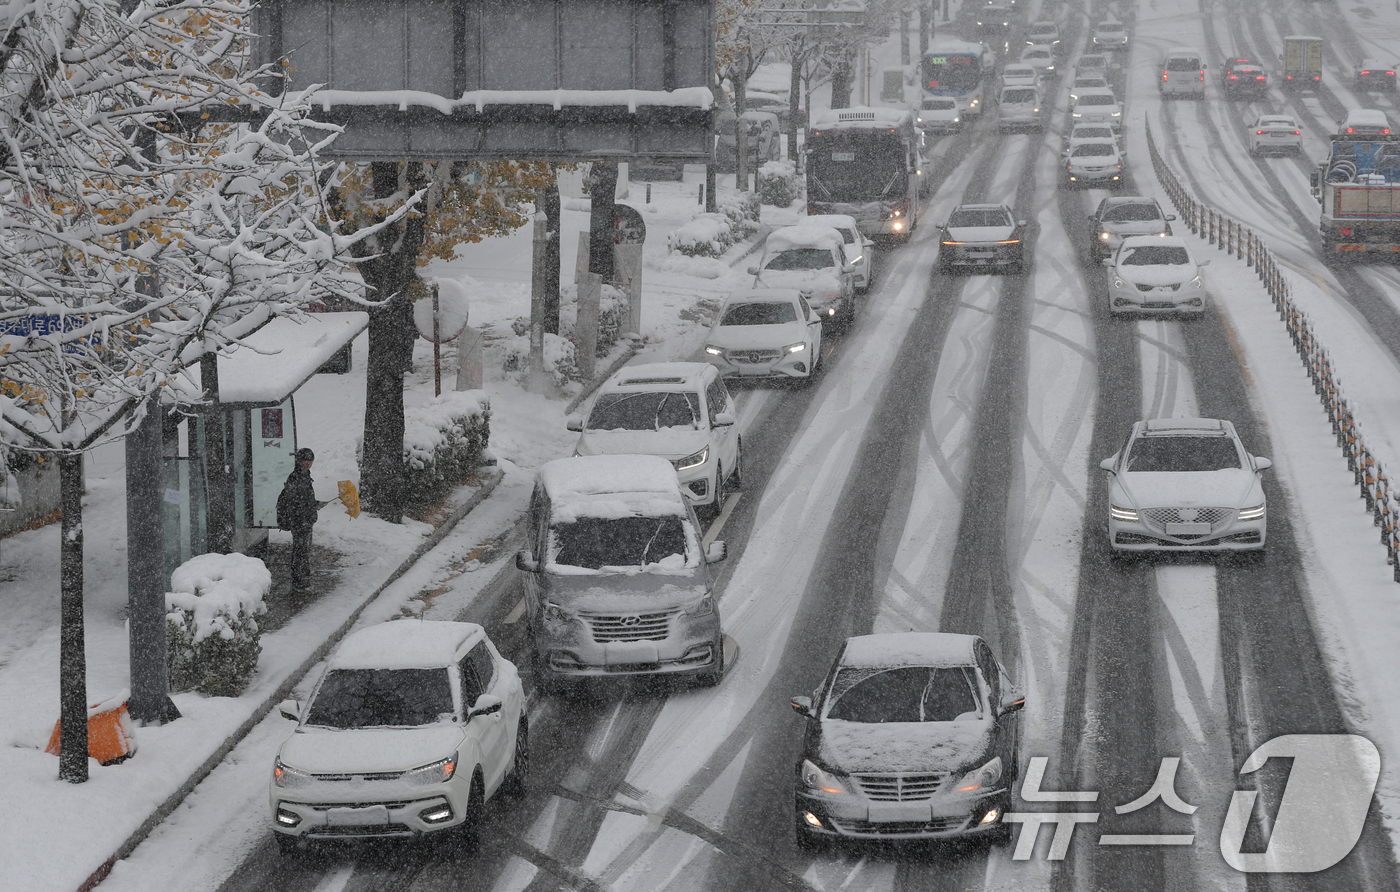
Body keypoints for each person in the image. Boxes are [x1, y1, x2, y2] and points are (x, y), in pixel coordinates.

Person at [278, 448, 320, 590]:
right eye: (305, 460)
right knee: (300, 549)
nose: (308, 463)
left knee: (302, 549)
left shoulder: (304, 475)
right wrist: (307, 510)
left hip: (304, 519)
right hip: (299, 520)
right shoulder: (296, 477)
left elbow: (304, 498)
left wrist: (314, 504)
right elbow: (294, 500)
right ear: (299, 461)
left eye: (310, 461)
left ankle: (303, 578)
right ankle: (299, 580)